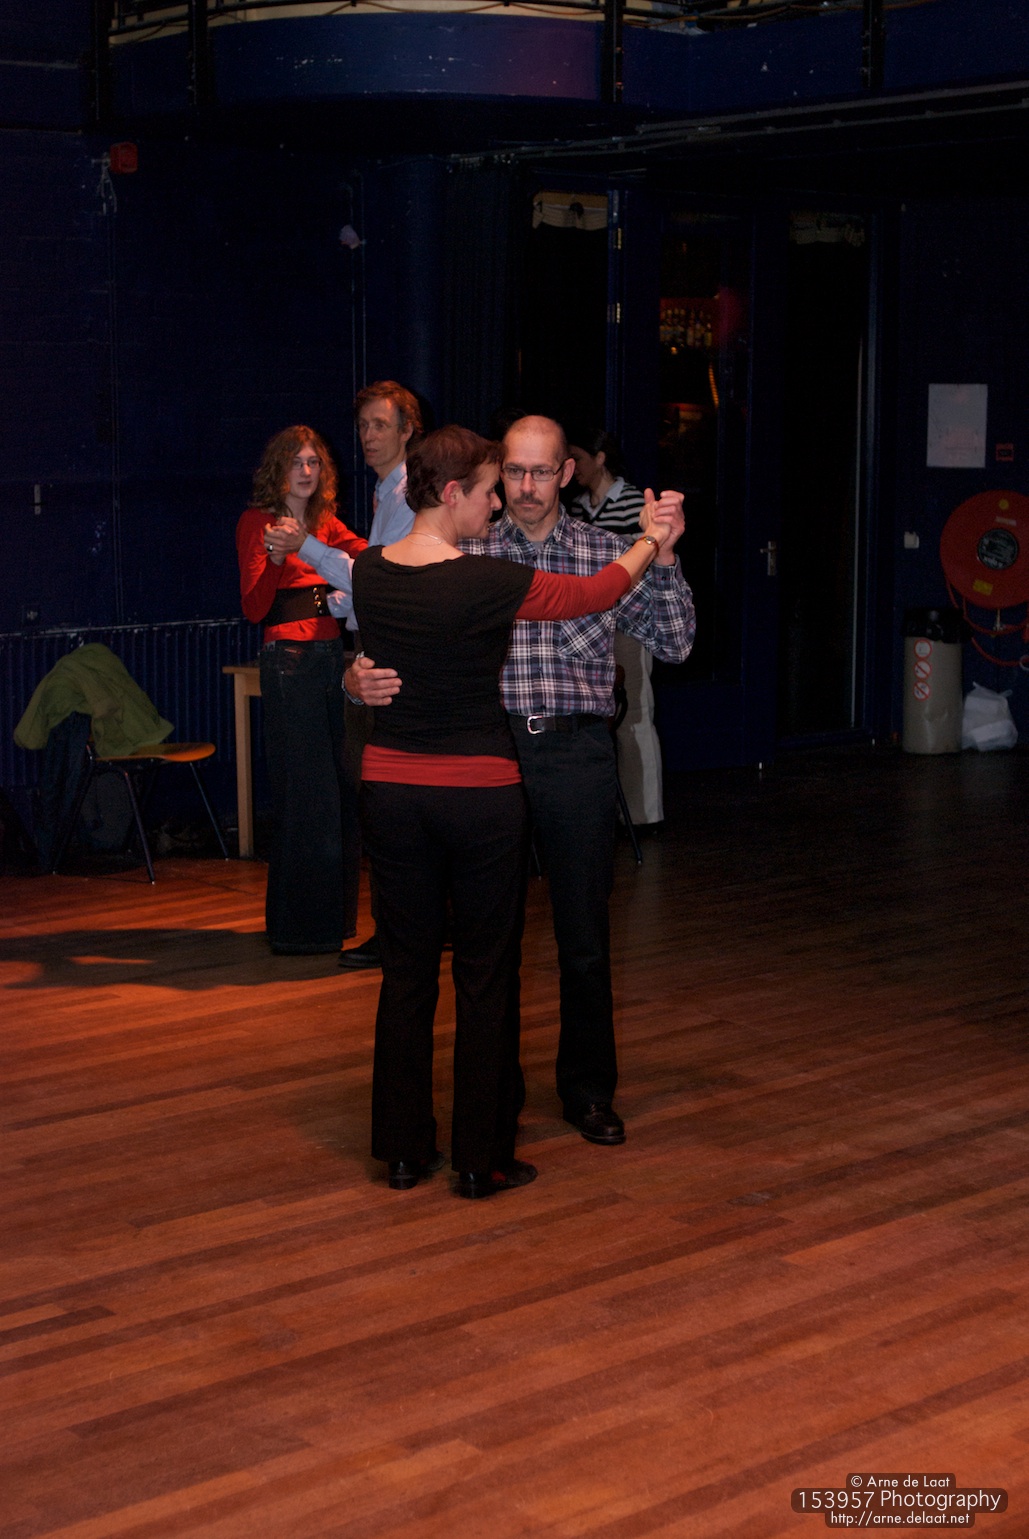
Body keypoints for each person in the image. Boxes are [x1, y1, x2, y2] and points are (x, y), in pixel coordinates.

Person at [350, 424, 678, 1198]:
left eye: (528, 476)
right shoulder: (484, 575)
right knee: (484, 974)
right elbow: (591, 594)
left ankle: (403, 1151)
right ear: (452, 493)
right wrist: (648, 539)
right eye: (492, 487)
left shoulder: (369, 570)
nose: (503, 500)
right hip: (477, 789)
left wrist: (354, 679)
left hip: (395, 788)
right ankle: (480, 1156)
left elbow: (388, 659)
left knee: (406, 973)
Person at [264, 380, 423, 972]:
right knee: (350, 794)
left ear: (407, 430)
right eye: (363, 426)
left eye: (380, 425)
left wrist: (305, 551)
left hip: (374, 658)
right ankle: (379, 927)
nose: (368, 437)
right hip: (328, 656)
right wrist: (329, 597)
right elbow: (369, 580)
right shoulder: (385, 494)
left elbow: (383, 579)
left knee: (377, 795)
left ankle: (393, 929)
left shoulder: (402, 496)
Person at [236, 425, 366, 955]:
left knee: (336, 789)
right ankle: (299, 928)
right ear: (279, 469)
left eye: (314, 462)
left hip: (331, 656)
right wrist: (274, 558)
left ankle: (331, 922)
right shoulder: (257, 522)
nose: (307, 471)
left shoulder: (325, 523)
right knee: (305, 792)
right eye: (297, 462)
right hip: (289, 660)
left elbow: (369, 560)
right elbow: (253, 607)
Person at [567, 426, 665, 828]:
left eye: (579, 458)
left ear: (600, 458)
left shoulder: (631, 502)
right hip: (590, 622)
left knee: (634, 713)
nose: (573, 467)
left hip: (626, 620)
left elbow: (642, 565)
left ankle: (645, 815)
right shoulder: (576, 507)